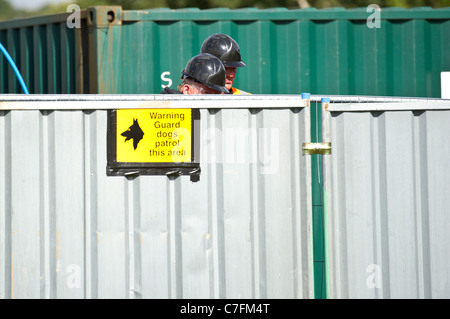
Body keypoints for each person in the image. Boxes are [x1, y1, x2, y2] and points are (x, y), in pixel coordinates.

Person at [161, 53, 229, 94]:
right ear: (187, 91)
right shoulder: (168, 115)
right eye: (207, 94)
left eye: (217, 95)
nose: (213, 101)